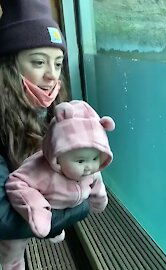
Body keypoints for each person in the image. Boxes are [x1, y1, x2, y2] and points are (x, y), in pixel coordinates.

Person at [0, 0, 89, 241]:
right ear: (10, 66)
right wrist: (81, 204)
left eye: (58, 63)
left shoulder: (57, 112)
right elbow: (3, 217)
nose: (52, 74)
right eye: (39, 62)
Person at [1, 100, 114, 269]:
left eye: (96, 158)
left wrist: (98, 201)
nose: (89, 166)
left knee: (51, 228)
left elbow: (97, 185)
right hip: (28, 215)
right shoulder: (39, 171)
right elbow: (16, 185)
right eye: (81, 160)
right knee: (12, 251)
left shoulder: (90, 172)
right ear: (57, 158)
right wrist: (38, 210)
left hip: (60, 211)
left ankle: (53, 229)